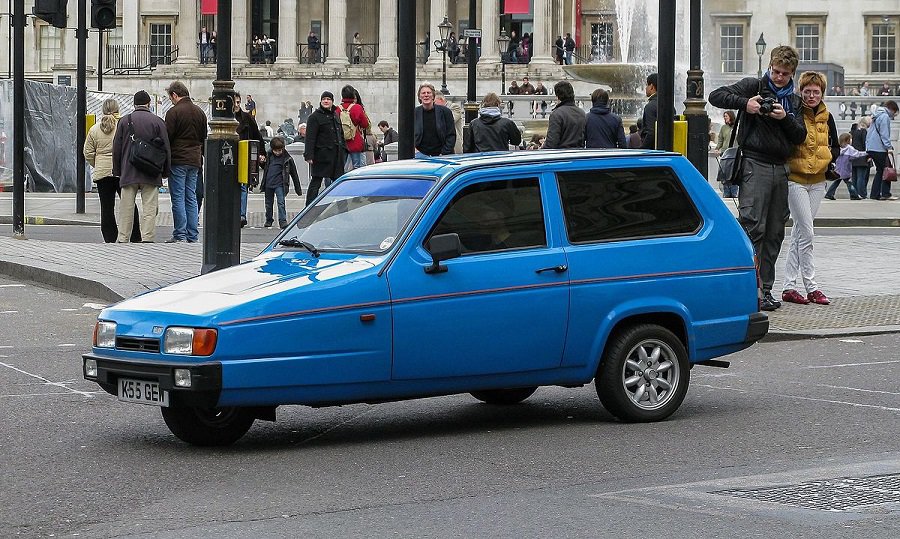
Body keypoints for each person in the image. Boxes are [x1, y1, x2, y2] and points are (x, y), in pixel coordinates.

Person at [708, 45, 807, 311]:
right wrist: (746, 104)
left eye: (785, 74)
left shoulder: (793, 102)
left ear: (792, 74)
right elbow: (715, 96)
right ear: (770, 67)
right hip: (755, 163)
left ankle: (765, 289)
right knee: (753, 228)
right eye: (776, 71)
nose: (778, 78)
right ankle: (747, 288)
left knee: (775, 232)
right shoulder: (753, 86)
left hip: (781, 168)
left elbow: (799, 136)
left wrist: (785, 117)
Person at [781, 71, 837, 306]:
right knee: (808, 232)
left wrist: (831, 159)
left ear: (822, 93)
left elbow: (834, 142)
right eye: (807, 91)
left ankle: (788, 287)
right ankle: (812, 286)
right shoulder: (794, 112)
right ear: (800, 92)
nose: (812, 95)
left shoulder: (828, 116)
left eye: (816, 92)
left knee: (799, 233)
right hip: (796, 178)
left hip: (818, 181)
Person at [112, 90, 170, 243]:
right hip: (151, 171)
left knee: (126, 207)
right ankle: (147, 237)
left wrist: (117, 170)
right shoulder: (158, 121)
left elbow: (116, 148)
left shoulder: (124, 121)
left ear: (134, 104)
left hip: (129, 170)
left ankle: (123, 237)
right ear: (149, 103)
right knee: (150, 208)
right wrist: (165, 171)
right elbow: (166, 148)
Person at [84, 98, 141, 243]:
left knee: (106, 207)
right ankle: (135, 236)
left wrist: (97, 164)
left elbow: (88, 152)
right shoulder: (124, 126)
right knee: (129, 204)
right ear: (118, 109)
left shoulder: (94, 129)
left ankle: (109, 238)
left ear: (103, 109)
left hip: (103, 173)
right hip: (122, 170)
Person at [164, 81, 207, 243]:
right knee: (191, 197)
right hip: (195, 159)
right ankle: (192, 234)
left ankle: (180, 233)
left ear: (175, 95)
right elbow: (203, 137)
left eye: (171, 98)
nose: (171, 101)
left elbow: (167, 137)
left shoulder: (173, 113)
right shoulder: (200, 112)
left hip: (178, 159)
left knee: (178, 197)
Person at [304, 91, 345, 206]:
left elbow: (340, 133)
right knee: (316, 182)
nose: (326, 101)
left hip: (336, 156)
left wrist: (343, 149)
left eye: (328, 99)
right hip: (321, 156)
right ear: (321, 101)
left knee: (339, 183)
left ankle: (341, 207)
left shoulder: (335, 115)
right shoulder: (314, 117)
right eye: (324, 99)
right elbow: (310, 138)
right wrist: (309, 155)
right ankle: (309, 207)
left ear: (332, 101)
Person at [234, 90, 266, 227]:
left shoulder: (246, 118)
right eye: (234, 102)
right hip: (230, 158)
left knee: (243, 187)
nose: (236, 104)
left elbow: (257, 137)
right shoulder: (223, 119)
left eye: (238, 102)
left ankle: (241, 215)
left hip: (244, 157)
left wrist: (262, 153)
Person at [260, 136, 301, 229]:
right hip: (269, 183)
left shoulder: (287, 159)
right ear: (272, 149)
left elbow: (294, 174)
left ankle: (282, 220)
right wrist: (261, 162)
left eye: (279, 150)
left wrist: (298, 189)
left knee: (281, 202)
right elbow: (264, 168)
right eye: (276, 150)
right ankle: (269, 219)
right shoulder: (268, 156)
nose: (278, 152)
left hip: (280, 184)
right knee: (268, 203)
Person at [866, 100, 898, 201]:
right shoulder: (884, 117)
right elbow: (884, 133)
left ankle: (875, 194)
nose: (894, 115)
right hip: (879, 148)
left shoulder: (876, 115)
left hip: (872, 147)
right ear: (892, 109)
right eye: (895, 112)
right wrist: (888, 147)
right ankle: (885, 193)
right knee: (886, 169)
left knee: (880, 171)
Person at [414, 83, 456, 157]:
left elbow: (451, 135)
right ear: (419, 97)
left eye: (429, 93)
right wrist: (417, 152)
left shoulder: (445, 112)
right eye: (423, 93)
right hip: (420, 157)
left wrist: (443, 153)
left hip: (442, 156)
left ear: (433, 96)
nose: (426, 95)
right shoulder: (414, 113)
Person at [542, 80, 586, 149]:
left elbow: (552, 142)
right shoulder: (582, 113)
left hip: (562, 155)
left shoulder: (557, 114)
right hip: (579, 154)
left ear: (557, 97)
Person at [338, 84, 370, 170]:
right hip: (355, 141)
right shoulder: (357, 108)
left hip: (341, 142)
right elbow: (365, 124)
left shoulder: (337, 109)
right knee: (357, 168)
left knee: (341, 168)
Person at [825, 133, 864, 201]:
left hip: (838, 169)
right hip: (846, 169)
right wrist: (866, 153)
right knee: (849, 183)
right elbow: (857, 154)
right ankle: (854, 195)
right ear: (847, 140)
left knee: (836, 182)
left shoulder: (838, 148)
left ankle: (829, 193)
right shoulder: (849, 148)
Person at [715, 110, 739, 198]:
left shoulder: (737, 127)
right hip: (725, 152)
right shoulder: (723, 128)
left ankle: (734, 192)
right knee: (724, 173)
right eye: (724, 116)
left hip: (734, 152)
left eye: (726, 116)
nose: (725, 118)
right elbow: (720, 139)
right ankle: (726, 192)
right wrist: (717, 148)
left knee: (733, 172)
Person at [851, 116, 873, 198]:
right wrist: (869, 155)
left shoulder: (852, 132)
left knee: (854, 177)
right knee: (861, 177)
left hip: (853, 157)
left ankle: (854, 194)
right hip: (862, 157)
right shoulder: (863, 132)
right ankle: (862, 194)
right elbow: (865, 144)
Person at [640, 73, 659, 149]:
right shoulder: (669, 106)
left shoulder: (650, 107)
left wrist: (642, 149)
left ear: (651, 87)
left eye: (647, 85)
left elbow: (650, 132)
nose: (646, 88)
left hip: (653, 151)